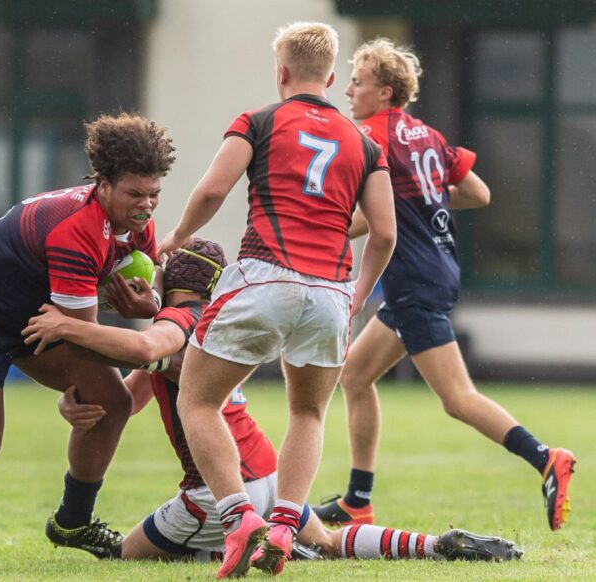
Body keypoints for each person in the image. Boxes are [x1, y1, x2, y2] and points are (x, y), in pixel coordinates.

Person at [24, 237, 522, 565]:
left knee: (129, 558)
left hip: (218, 490)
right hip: (268, 473)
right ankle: (434, 546)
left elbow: (153, 351)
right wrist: (83, 408)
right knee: (326, 541)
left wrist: (76, 326)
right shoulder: (221, 328)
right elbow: (131, 395)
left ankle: (243, 539)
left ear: (163, 284)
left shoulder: (174, 328)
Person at [157, 22, 397, 578]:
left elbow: (215, 188)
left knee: (197, 401)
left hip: (264, 276)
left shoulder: (259, 120)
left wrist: (177, 237)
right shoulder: (364, 144)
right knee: (308, 411)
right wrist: (358, 292)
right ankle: (287, 526)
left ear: (281, 72)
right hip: (331, 292)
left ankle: (241, 520)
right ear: (333, 78)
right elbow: (384, 232)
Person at [313, 38, 575, 531]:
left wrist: (311, 230)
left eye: (358, 81)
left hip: (413, 279)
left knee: (457, 399)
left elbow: (367, 217)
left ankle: (545, 458)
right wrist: (423, 201)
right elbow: (478, 192)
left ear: (384, 91)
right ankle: (357, 501)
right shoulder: (426, 134)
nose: (348, 89)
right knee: (356, 375)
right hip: (438, 268)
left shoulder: (368, 135)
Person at [0, 113, 173, 564]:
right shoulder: (76, 230)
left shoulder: (137, 224)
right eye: (134, 194)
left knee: (111, 402)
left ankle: (73, 521)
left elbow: (136, 295)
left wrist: (150, 306)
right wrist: (68, 392)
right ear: (102, 184)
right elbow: (84, 338)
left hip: (35, 316)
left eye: (154, 194)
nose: (146, 206)